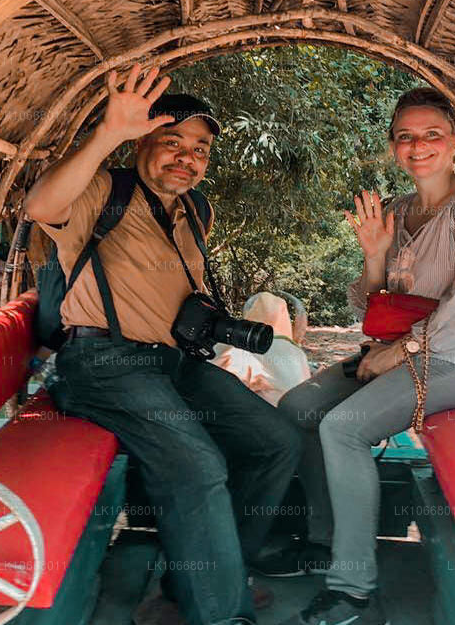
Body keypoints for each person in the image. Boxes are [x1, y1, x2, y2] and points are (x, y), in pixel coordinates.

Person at [24, 63, 301, 625]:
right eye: (172, 141)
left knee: (275, 440)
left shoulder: (196, 211)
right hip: (103, 363)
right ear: (140, 142)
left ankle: (196, 582)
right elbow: (41, 207)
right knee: (196, 465)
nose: (186, 157)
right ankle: (222, 613)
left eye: (199, 149)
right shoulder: (104, 190)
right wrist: (108, 132)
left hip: (171, 363)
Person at [274, 88, 455, 625]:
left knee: (344, 427)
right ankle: (328, 540)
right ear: (393, 146)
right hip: (406, 348)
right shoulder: (397, 211)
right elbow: (373, 306)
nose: (419, 146)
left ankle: (353, 591)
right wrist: (373, 256)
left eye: (432, 134)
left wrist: (399, 353)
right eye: (405, 136)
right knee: (299, 408)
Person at [212, 291, 313, 406]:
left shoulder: (230, 346)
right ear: (284, 318)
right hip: (292, 411)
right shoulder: (297, 352)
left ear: (249, 315)